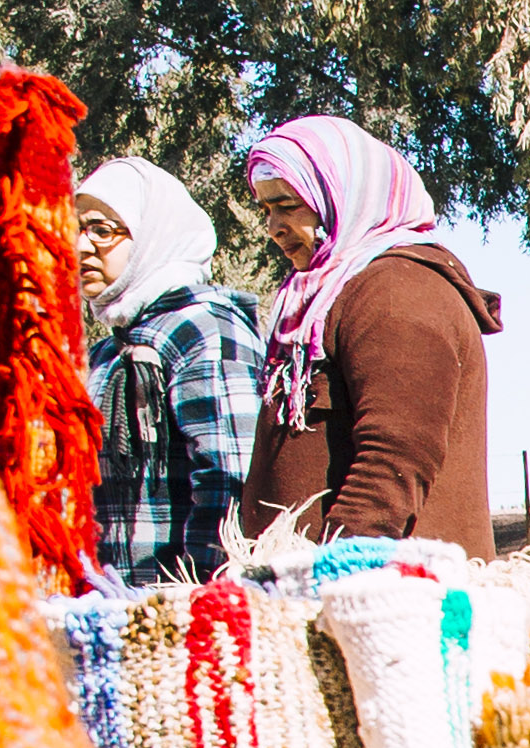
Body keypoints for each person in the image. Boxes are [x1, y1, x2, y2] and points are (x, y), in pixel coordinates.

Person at [239, 114, 500, 556]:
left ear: (338, 198)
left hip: (388, 603)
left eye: (287, 205)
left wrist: (339, 572)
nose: (274, 228)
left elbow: (392, 462)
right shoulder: (327, 294)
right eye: (266, 210)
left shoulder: (397, 291)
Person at [78, 157, 262, 585]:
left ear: (150, 235)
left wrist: (196, 600)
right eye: (77, 230)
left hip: (178, 614)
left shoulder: (205, 328)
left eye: (102, 231)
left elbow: (231, 481)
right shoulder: (109, 348)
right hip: (106, 609)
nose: (82, 247)